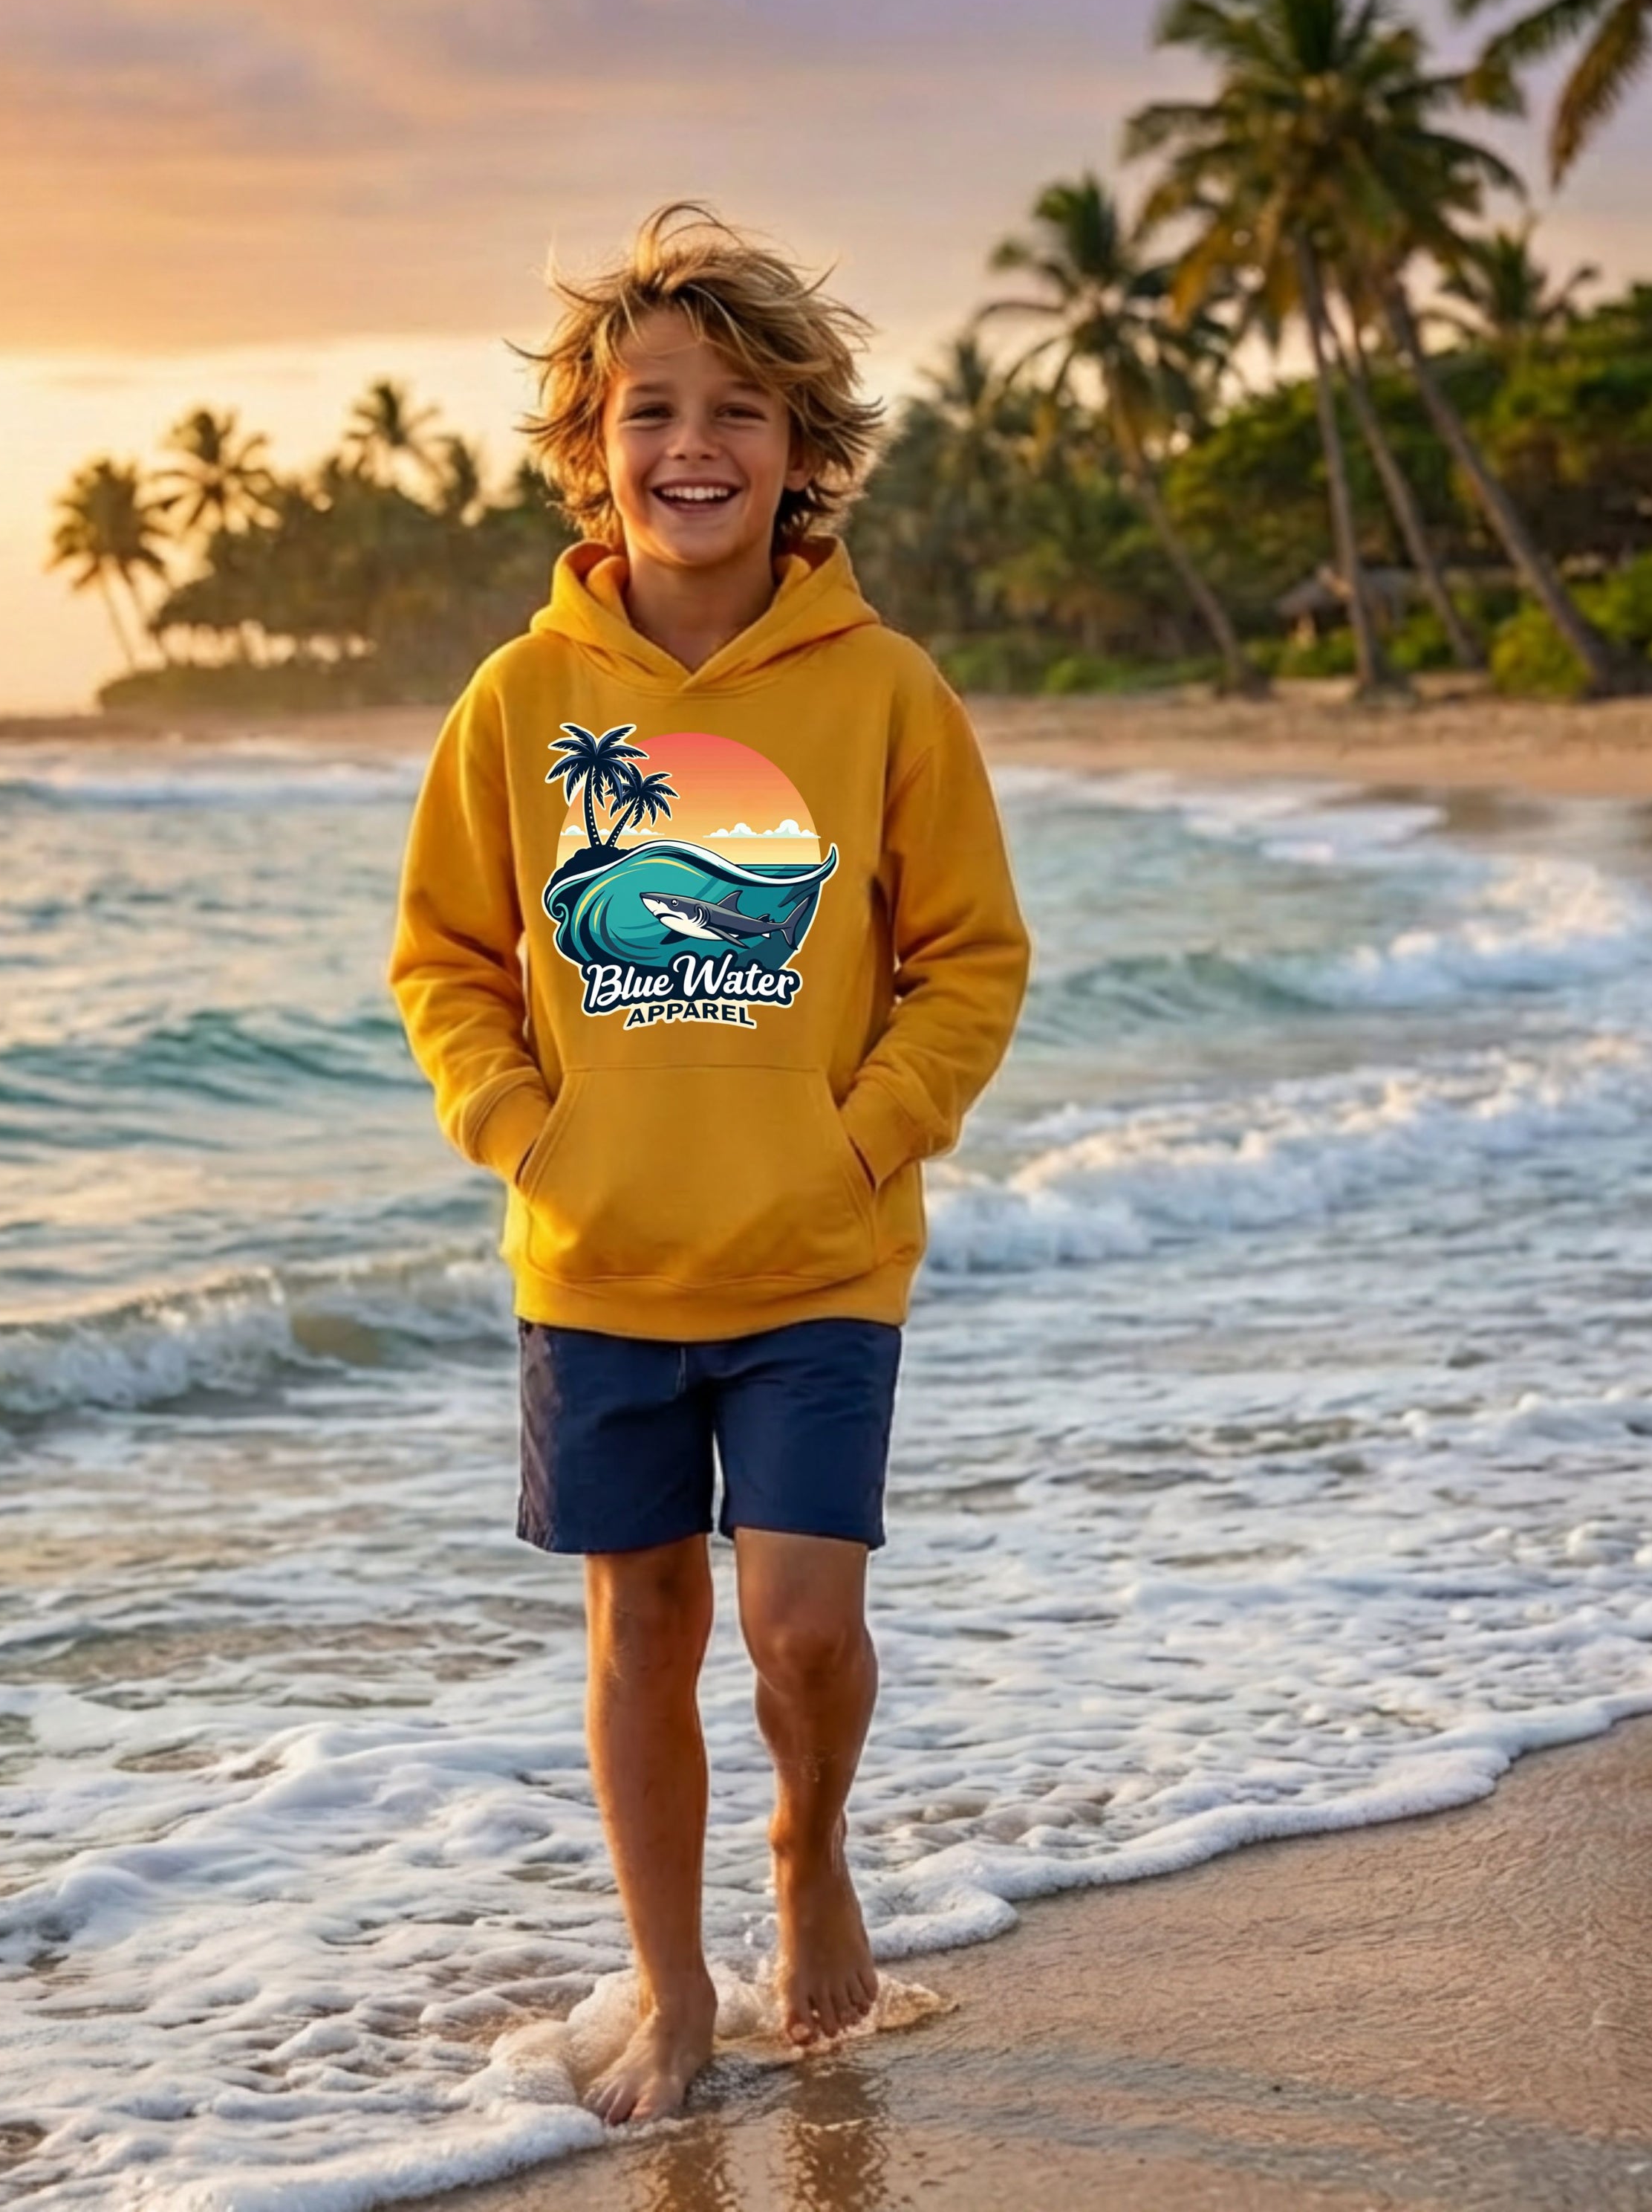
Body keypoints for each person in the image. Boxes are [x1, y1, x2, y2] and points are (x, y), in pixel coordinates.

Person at [389, 201, 1030, 2124]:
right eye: (651, 409)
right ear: (590, 451)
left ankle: (809, 1849)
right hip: (594, 1266)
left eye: (739, 411)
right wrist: (527, 1132)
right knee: (644, 1631)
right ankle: (673, 1991)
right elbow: (443, 958)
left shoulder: (883, 690)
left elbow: (968, 957)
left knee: (803, 1626)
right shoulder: (522, 703)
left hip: (823, 1256)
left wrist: (871, 1132)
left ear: (799, 451)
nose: (693, 446)